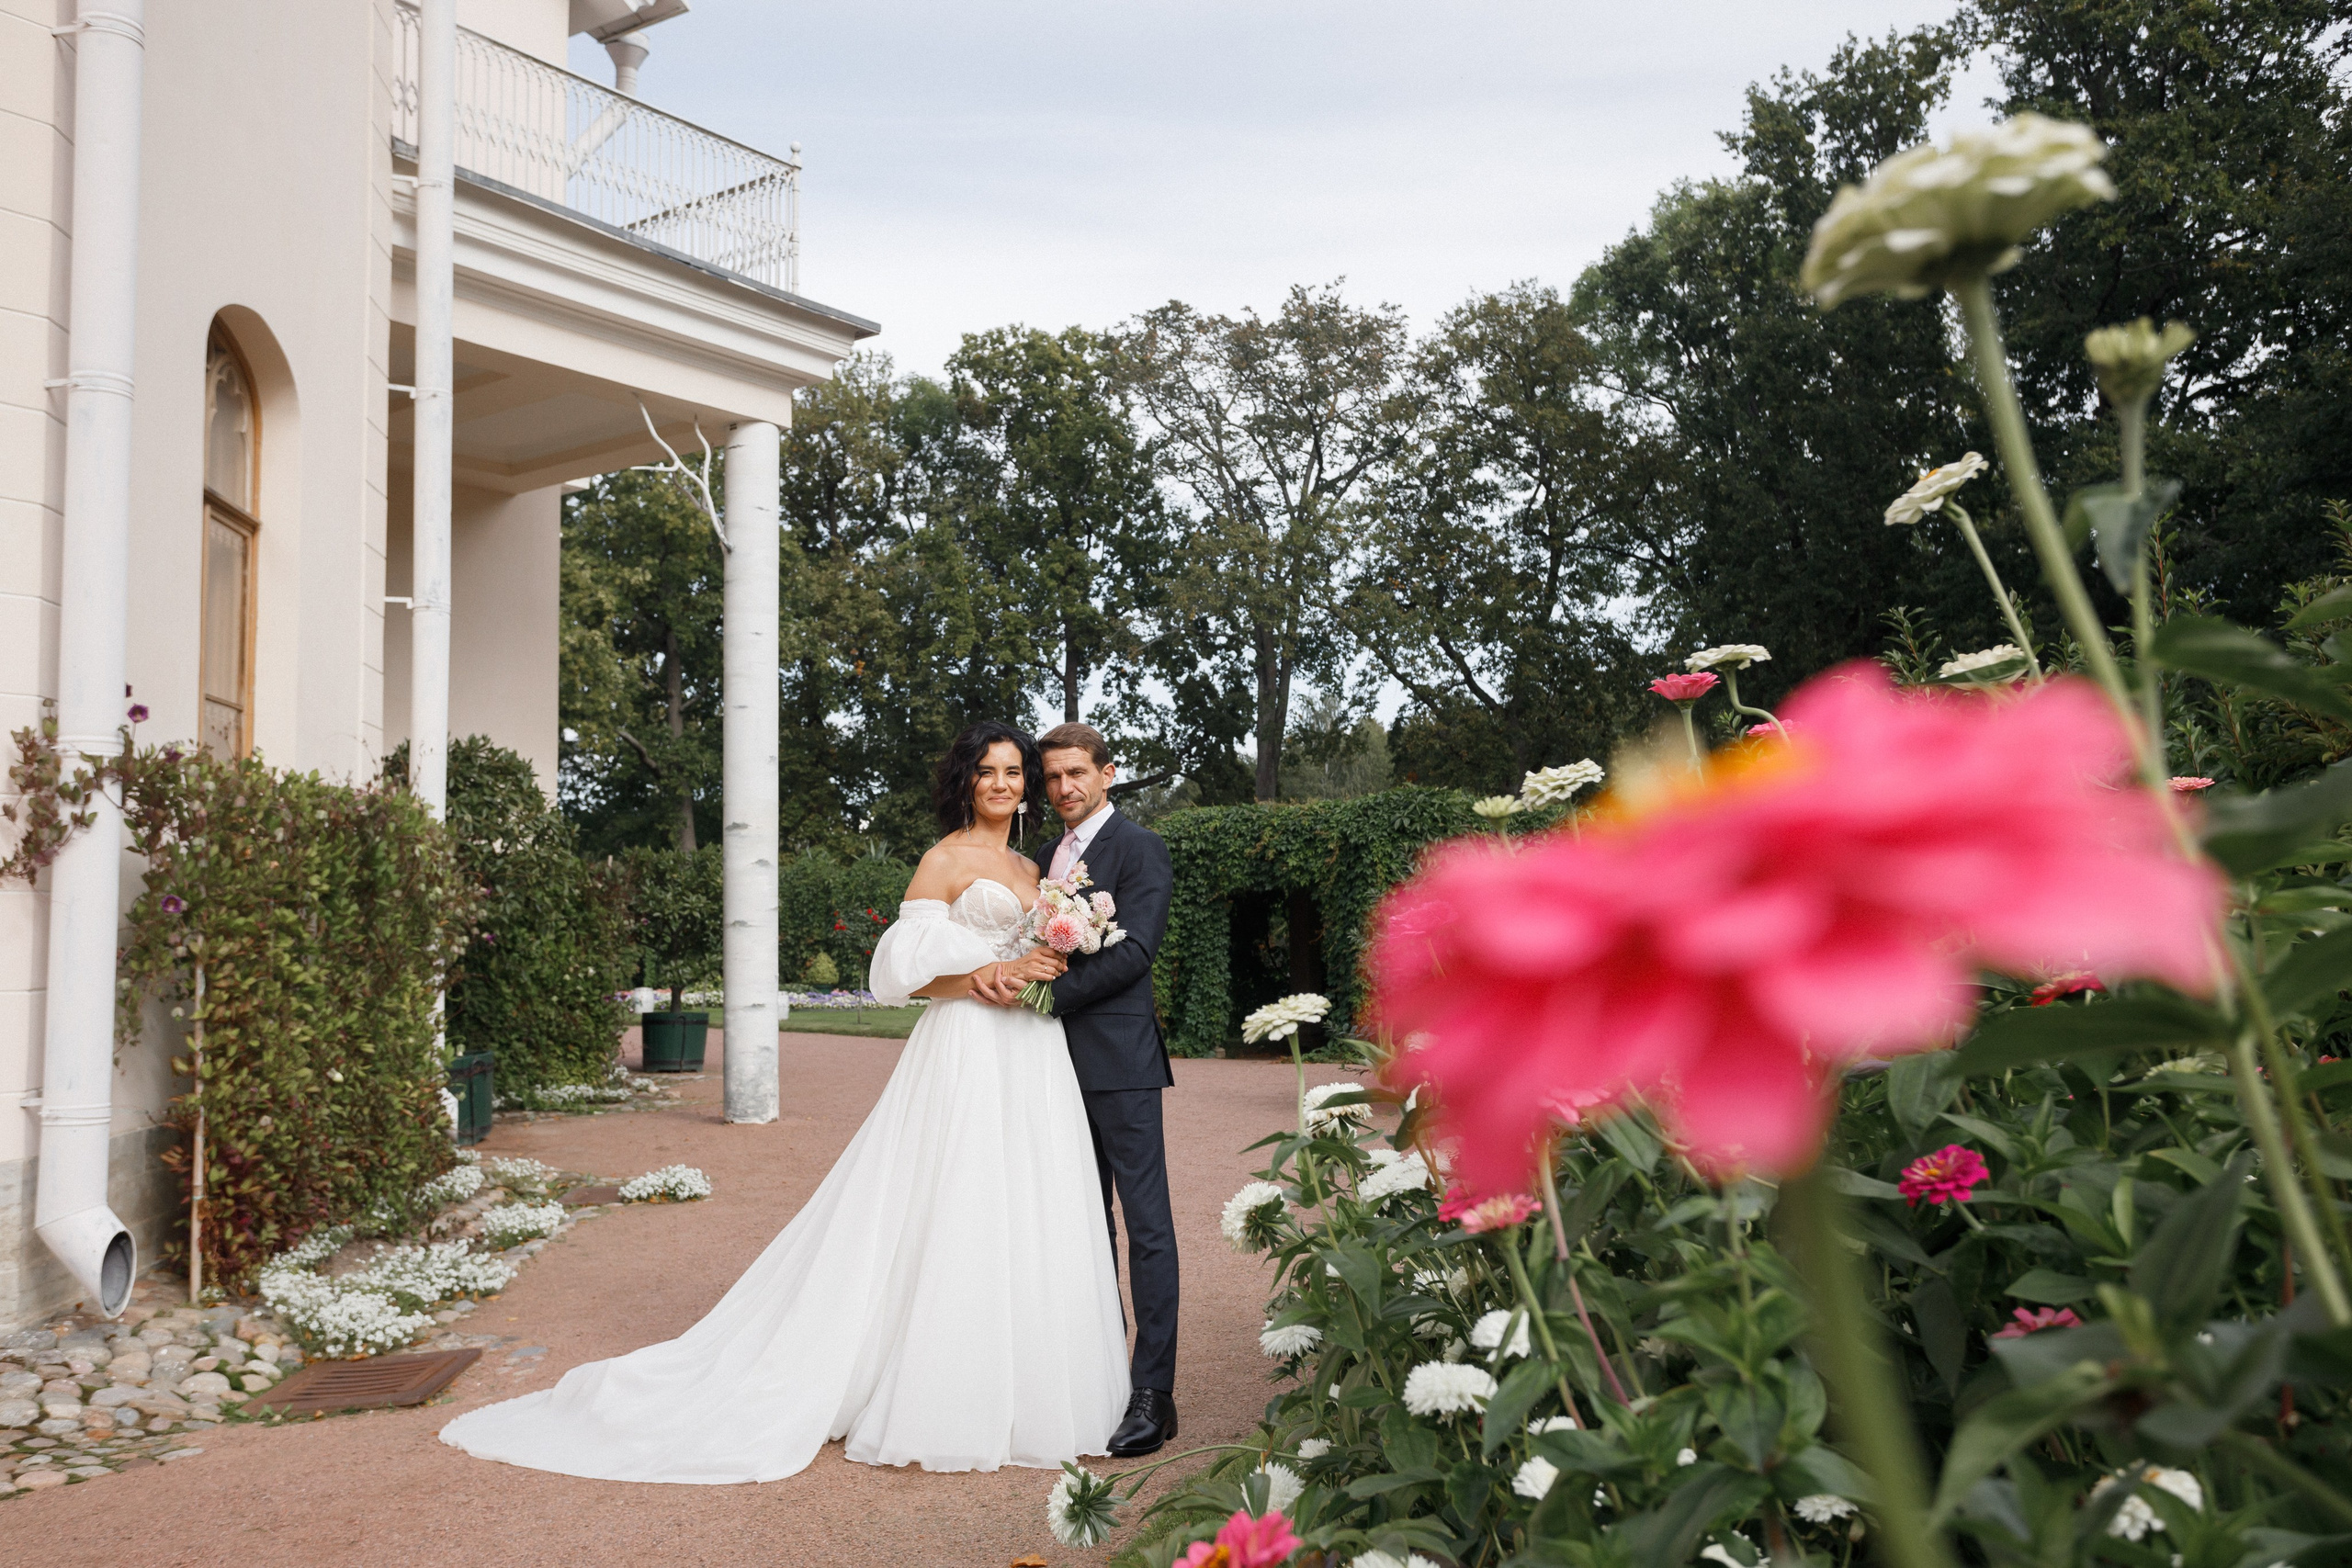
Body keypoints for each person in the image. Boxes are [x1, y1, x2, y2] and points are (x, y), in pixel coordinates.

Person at [438, 722, 1129, 1483]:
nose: (1002, 783)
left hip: (1029, 1053)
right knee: (951, 1202)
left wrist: (1040, 961)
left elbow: (1036, 957)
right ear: (966, 781)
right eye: (987, 772)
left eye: (1012, 772)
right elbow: (897, 975)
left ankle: (1028, 1388)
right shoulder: (944, 858)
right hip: (967, 1047)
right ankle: (942, 1392)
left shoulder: (1034, 865)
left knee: (1024, 1203)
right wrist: (977, 977)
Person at [973, 721, 1179, 1458]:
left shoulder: (1140, 848)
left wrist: (1045, 998)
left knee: (1146, 1226)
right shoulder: (1039, 859)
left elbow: (1137, 952)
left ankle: (1155, 1391)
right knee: (1083, 1226)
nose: (1062, 787)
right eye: (1052, 776)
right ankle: (1098, 1380)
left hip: (1120, 1062)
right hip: (1050, 1071)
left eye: (1075, 774)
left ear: (1107, 773)